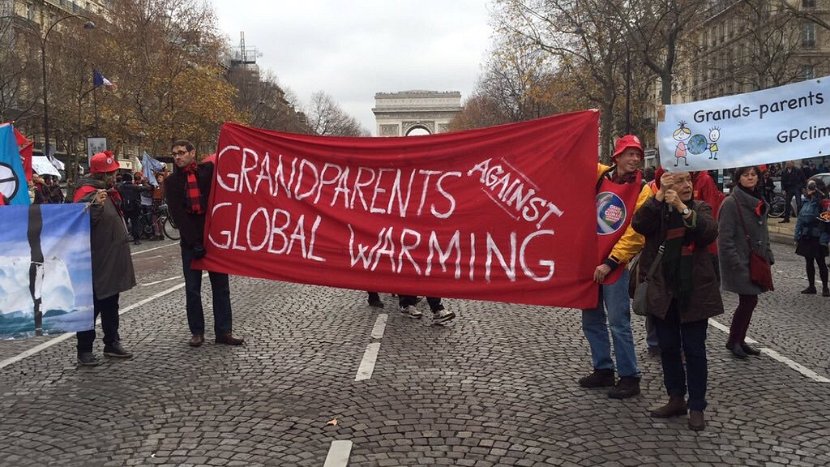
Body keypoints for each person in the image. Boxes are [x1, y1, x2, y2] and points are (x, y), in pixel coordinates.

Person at [632, 171, 723, 431]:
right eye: (678, 181)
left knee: (694, 351)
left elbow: (708, 232)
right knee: (668, 348)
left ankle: (697, 406)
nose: (685, 185)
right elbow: (639, 224)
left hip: (693, 291)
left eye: (688, 181)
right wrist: (659, 196)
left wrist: (682, 208)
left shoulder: (699, 208)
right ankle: (675, 398)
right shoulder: (658, 210)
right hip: (663, 290)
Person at [580, 134, 651, 399]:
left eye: (638, 154)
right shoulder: (600, 175)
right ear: (617, 157)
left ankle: (630, 376)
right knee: (591, 319)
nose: (635, 159)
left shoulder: (643, 189)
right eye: (630, 154)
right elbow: (574, 163)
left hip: (615, 266)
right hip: (590, 261)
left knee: (618, 322)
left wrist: (611, 262)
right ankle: (603, 369)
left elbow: (637, 233)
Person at [164, 140, 243, 347]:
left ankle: (224, 331)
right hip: (191, 243)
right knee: (192, 289)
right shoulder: (172, 182)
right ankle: (197, 332)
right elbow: (178, 215)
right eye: (175, 153)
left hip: (214, 240)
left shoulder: (207, 172)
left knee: (221, 288)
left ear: (192, 153)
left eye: (182, 152)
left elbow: (229, 166)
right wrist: (194, 241)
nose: (177, 157)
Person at [73, 152, 136, 366]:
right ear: (102, 174)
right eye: (112, 172)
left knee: (110, 304)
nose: (115, 175)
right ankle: (84, 349)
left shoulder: (106, 191)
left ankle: (112, 342)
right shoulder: (86, 193)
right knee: (91, 307)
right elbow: (79, 223)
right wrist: (95, 206)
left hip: (111, 258)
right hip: (96, 261)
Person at [718, 166, 774, 359]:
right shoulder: (731, 203)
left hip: (756, 259)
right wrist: (736, 263)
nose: (750, 178)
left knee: (750, 301)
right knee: (748, 300)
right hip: (741, 261)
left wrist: (768, 253)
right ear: (738, 178)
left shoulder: (758, 199)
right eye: (746, 175)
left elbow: (763, 231)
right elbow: (724, 238)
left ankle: (738, 339)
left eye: (753, 175)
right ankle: (734, 340)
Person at [794, 178, 829, 296]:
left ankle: (825, 288)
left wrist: (824, 240)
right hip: (806, 235)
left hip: (818, 236)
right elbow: (800, 219)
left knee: (821, 262)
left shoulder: (823, 202)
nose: (808, 188)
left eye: (811, 186)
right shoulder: (806, 202)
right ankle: (811, 286)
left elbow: (826, 222)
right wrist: (797, 235)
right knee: (809, 261)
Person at [117, 173, 150, 245]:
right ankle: (136, 239)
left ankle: (122, 239)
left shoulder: (120, 187)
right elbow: (148, 188)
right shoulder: (135, 187)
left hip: (124, 207)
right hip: (135, 207)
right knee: (135, 223)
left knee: (124, 223)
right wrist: (144, 182)